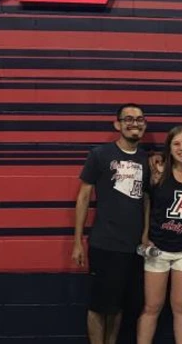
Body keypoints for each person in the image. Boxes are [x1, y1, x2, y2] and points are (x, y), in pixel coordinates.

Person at [71, 103, 151, 344]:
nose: (134, 123)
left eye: (139, 119)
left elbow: (146, 199)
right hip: (104, 245)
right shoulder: (100, 154)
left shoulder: (146, 159)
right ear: (118, 124)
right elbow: (83, 196)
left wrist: (145, 234)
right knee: (98, 307)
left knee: (117, 308)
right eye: (128, 119)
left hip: (132, 248)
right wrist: (77, 242)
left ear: (144, 125)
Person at [138, 126, 182, 344]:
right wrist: (145, 233)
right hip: (158, 248)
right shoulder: (157, 171)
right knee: (152, 306)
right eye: (176, 144)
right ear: (169, 147)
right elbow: (147, 202)